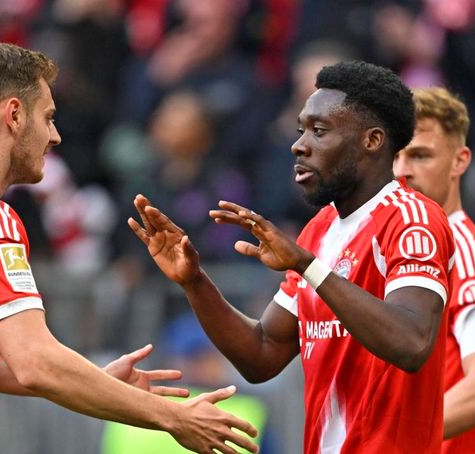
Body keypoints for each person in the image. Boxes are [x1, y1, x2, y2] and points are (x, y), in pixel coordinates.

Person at [0, 41, 259, 454]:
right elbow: (35, 361)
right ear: (14, 115)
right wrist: (174, 416)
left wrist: (97, 382)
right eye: (48, 117)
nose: (55, 136)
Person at [130, 60, 456, 453]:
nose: (299, 145)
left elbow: (412, 342)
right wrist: (194, 281)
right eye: (301, 129)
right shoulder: (320, 230)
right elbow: (262, 354)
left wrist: (307, 266)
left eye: (319, 131)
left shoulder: (411, 219)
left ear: (371, 141)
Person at [393, 87, 475, 453]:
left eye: (420, 155)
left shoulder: (469, 256)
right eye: (395, 156)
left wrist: (388, 441)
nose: (402, 172)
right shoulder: (405, 252)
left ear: (459, 161)